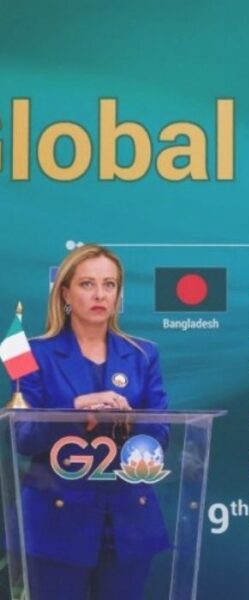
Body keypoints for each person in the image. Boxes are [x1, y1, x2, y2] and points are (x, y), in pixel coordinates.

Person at [13, 244, 169, 599]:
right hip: (56, 521)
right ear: (65, 293)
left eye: (109, 285)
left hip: (128, 521)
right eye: (87, 284)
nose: (100, 294)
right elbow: (23, 438)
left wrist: (130, 420)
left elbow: (160, 435)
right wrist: (74, 408)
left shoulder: (144, 354)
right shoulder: (32, 354)